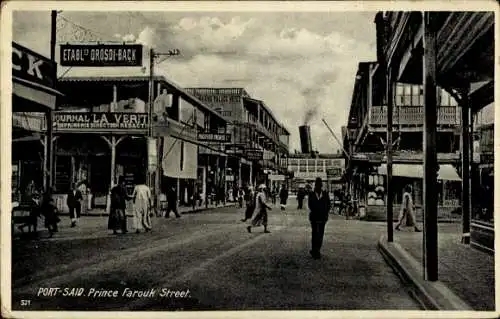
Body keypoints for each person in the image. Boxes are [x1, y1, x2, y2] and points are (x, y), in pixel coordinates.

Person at [308, 178, 331, 259]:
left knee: (320, 234)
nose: (318, 187)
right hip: (314, 217)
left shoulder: (325, 194)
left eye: (319, 185)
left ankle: (317, 250)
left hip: (322, 217)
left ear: (321, 186)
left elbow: (328, 205)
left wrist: (324, 212)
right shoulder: (311, 194)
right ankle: (314, 249)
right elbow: (310, 205)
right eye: (317, 185)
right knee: (314, 233)